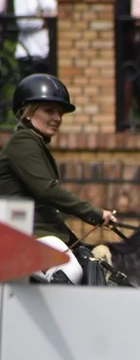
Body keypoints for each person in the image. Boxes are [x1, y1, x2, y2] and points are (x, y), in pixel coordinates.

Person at [0, 74, 118, 284]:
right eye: (49, 110)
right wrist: (95, 213)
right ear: (28, 112)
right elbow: (48, 191)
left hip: (38, 232)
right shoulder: (22, 142)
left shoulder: (35, 142)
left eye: (60, 112)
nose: (57, 118)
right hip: (21, 233)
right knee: (69, 269)